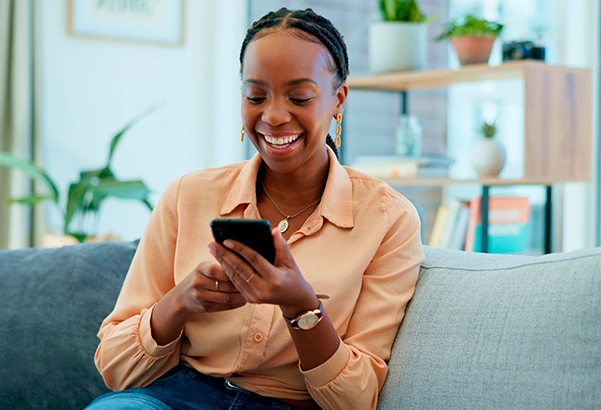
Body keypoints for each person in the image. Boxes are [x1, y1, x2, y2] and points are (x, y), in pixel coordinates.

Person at [87, 7, 424, 410]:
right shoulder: (187, 196)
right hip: (180, 395)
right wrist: (182, 300)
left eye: (299, 97)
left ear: (338, 99)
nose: (274, 116)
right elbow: (114, 368)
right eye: (256, 96)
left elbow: (356, 399)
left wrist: (303, 308)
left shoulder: (389, 219)